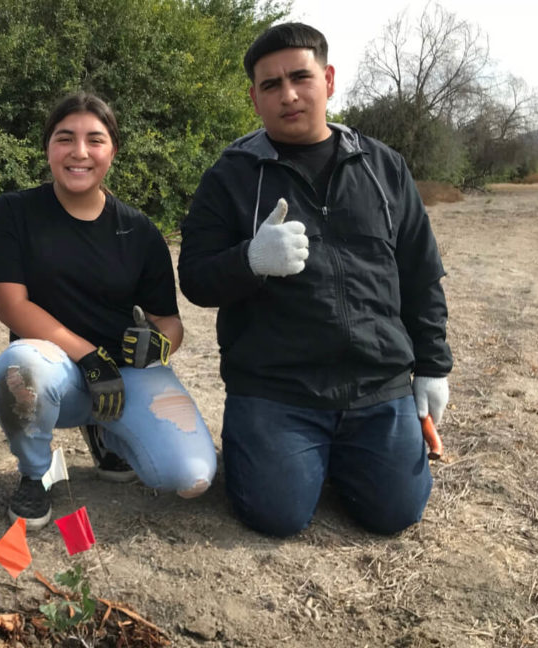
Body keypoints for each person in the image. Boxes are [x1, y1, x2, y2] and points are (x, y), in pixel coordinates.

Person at [177, 22, 452, 537]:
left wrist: (433, 365)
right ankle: (291, 455)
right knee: (275, 516)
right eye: (270, 85)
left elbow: (421, 275)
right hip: (276, 387)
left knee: (396, 514)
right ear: (254, 99)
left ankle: (346, 456)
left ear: (327, 79)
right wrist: (249, 260)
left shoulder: (384, 168)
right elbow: (194, 277)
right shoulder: (231, 176)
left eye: (300, 78)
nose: (288, 95)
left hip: (377, 384)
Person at [0, 92, 217, 529]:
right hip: (58, 373)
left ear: (114, 150)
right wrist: (88, 357)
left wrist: (159, 346)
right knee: (19, 368)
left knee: (191, 475)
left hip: (127, 375)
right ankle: (35, 475)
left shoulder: (140, 230)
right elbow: (11, 306)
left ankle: (109, 434)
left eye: (96, 139)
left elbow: (170, 321)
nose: (80, 152)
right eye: (65, 138)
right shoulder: (14, 212)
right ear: (48, 146)